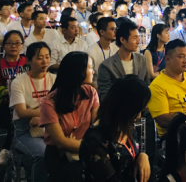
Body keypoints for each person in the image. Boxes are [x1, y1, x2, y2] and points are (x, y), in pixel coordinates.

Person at [40, 52, 99, 181]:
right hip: (60, 156)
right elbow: (61, 142)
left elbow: (97, 126)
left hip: (87, 151)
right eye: (90, 67)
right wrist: (93, 148)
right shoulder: (49, 102)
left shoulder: (91, 93)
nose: (93, 72)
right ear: (78, 71)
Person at [80, 75, 152, 182]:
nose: (139, 116)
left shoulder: (128, 128)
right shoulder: (95, 140)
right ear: (126, 108)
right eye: (137, 111)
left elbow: (136, 150)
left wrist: (143, 155)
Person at [0, 30, 30, 166]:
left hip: (28, 105)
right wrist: (6, 91)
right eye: (10, 43)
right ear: (3, 46)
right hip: (4, 106)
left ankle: (6, 152)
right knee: (16, 124)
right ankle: (17, 162)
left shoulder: (28, 62)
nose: (14, 46)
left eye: (17, 43)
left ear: (22, 45)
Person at [10, 42, 56, 182]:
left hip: (52, 127)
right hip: (25, 131)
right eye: (40, 58)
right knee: (42, 153)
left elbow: (61, 107)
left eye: (47, 57)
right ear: (28, 60)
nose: (45, 61)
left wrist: (42, 116)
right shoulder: (19, 82)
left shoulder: (54, 79)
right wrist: (45, 114)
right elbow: (21, 112)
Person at [147, 39, 186, 137]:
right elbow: (162, 119)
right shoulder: (157, 85)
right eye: (181, 56)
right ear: (168, 59)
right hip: (174, 135)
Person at [98, 20, 151, 99]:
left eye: (138, 38)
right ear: (122, 40)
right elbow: (105, 96)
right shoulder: (106, 66)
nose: (138, 42)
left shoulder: (141, 59)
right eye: (135, 38)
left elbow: (147, 85)